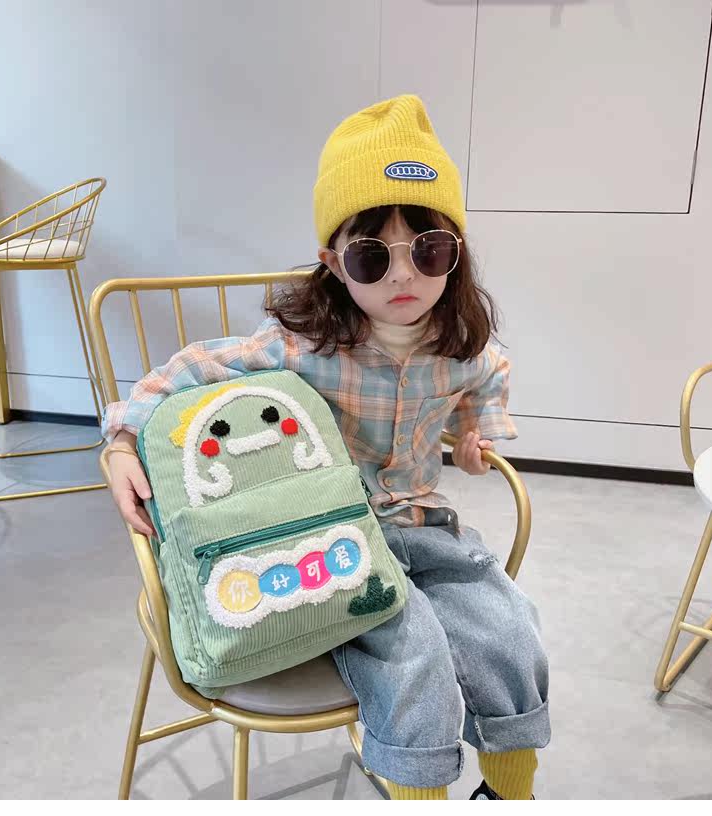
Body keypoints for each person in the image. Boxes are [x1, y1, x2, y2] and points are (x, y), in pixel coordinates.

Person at [103, 95, 549, 800]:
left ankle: (509, 790)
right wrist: (122, 441)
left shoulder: (462, 346)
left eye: (428, 249)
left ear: (456, 254)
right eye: (372, 256)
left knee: (510, 631)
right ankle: (420, 795)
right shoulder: (302, 347)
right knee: (414, 659)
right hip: (332, 534)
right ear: (334, 264)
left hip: (423, 524)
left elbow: (490, 375)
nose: (404, 275)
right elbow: (188, 368)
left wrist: (476, 434)